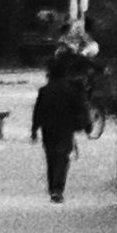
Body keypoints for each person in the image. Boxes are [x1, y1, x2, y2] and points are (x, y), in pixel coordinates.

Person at [30, 43, 92, 204]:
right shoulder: (72, 90)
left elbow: (38, 110)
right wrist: (86, 125)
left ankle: (53, 188)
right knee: (62, 157)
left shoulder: (44, 91)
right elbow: (81, 108)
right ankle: (58, 188)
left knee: (50, 157)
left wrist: (34, 129)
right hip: (66, 127)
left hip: (48, 128)